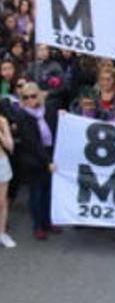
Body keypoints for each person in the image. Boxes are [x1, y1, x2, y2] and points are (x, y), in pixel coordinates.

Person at [15, 82, 58, 240]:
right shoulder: (22, 116)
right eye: (25, 97)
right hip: (33, 160)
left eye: (33, 96)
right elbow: (32, 143)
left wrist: (64, 115)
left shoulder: (49, 109)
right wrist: (48, 162)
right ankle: (38, 226)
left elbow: (57, 127)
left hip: (49, 155)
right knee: (36, 194)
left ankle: (48, 221)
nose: (29, 100)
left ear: (39, 95)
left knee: (48, 192)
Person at [0, 111, 14, 247]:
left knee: (2, 201)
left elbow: (10, 147)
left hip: (1, 162)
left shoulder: (2, 121)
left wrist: (1, 135)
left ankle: (2, 233)